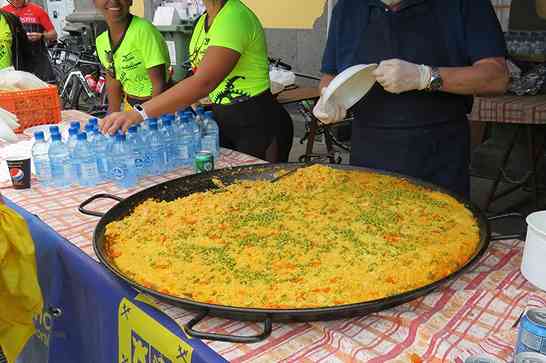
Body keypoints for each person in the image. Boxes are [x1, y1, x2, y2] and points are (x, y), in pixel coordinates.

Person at [313, 0, 509, 198]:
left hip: (439, 153)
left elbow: (496, 78)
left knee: (442, 225)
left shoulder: (465, 5)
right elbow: (330, 74)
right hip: (368, 150)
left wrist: (425, 76)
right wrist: (328, 96)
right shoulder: (347, 7)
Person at [100, 0, 294, 163]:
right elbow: (195, 73)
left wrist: (140, 113)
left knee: (258, 195)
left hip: (258, 122)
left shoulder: (234, 16)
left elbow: (204, 82)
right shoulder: (203, 21)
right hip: (224, 120)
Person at [93, 0, 171, 114]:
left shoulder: (143, 30)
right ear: (95, 2)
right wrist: (112, 115)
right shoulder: (101, 40)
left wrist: (150, 118)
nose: (114, 1)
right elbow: (113, 78)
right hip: (131, 106)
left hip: (158, 104)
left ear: (130, 1)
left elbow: (158, 84)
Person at [2, 0, 57, 81]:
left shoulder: (37, 10)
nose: (16, 1)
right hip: (16, 61)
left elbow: (54, 35)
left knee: (44, 88)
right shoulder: (4, 12)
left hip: (38, 60)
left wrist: (41, 36)